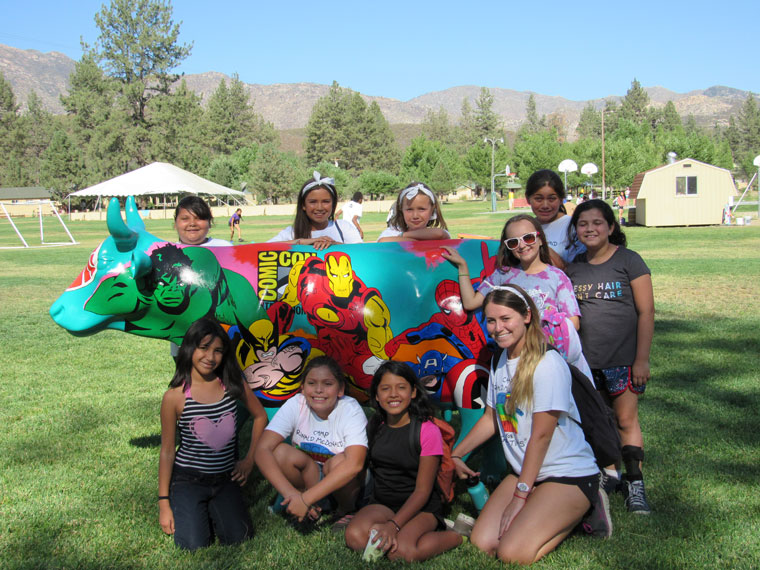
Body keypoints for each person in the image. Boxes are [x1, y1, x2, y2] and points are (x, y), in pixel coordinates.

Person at [451, 286, 603, 565]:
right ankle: (538, 509)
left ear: (527, 316)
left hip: (566, 474)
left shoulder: (547, 363)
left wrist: (520, 497)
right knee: (482, 542)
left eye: (505, 318)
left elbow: (542, 436)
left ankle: (588, 510)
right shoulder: (500, 359)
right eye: (491, 320)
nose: (497, 328)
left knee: (511, 553)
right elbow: (491, 419)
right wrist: (456, 454)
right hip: (525, 472)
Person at [565, 199, 655, 514]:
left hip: (624, 361)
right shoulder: (573, 267)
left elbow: (646, 312)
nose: (590, 229)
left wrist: (641, 360)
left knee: (626, 420)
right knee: (598, 423)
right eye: (583, 224)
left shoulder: (629, 261)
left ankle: (635, 484)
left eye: (597, 223)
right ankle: (608, 477)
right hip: (587, 364)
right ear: (575, 230)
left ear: (611, 227)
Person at [158, 317, 268, 550]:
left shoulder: (232, 384)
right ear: (189, 348)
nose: (210, 357)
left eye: (218, 350)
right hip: (188, 479)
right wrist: (164, 503)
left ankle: (213, 507)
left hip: (225, 480)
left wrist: (249, 461)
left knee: (240, 537)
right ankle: (192, 506)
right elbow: (167, 451)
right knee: (193, 545)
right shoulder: (174, 397)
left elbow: (260, 417)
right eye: (204, 348)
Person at [441, 214, 591, 378]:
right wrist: (463, 267)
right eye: (513, 242)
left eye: (528, 238)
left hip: (550, 360)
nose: (522, 245)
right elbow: (470, 303)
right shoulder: (502, 276)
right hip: (515, 361)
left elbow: (573, 323)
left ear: (540, 239)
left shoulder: (557, 277)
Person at [345, 361, 463, 562]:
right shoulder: (375, 425)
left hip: (420, 506)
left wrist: (393, 525)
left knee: (400, 552)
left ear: (413, 392)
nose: (393, 394)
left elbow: (422, 491)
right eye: (385, 388)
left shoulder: (427, 430)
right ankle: (399, 531)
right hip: (383, 503)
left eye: (401, 387)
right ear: (376, 395)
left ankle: (455, 535)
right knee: (355, 537)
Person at [254, 356, 368, 523]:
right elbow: (262, 450)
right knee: (280, 452)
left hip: (344, 485)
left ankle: (345, 510)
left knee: (337, 463)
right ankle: (305, 503)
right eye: (311, 383)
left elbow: (355, 464)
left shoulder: (350, 409)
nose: (319, 390)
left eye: (328, 384)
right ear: (302, 387)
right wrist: (293, 495)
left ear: (340, 389)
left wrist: (306, 499)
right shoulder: (296, 404)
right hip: (311, 479)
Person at [169, 197, 232, 359]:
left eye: (199, 218)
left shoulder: (224, 247)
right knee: (187, 379)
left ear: (210, 223)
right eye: (185, 219)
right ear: (175, 223)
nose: (192, 223)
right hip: (183, 337)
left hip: (222, 332)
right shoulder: (167, 253)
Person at [268, 172, 362, 250]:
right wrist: (302, 242)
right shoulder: (292, 232)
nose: (320, 208)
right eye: (313, 202)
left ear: (333, 204)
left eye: (326, 201)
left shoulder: (344, 227)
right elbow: (261, 249)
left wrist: (335, 245)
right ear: (303, 205)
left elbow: (363, 252)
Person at [525, 170, 584, 269]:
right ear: (528, 198)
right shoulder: (524, 228)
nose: (545, 205)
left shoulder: (574, 226)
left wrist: (543, 247)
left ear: (561, 199)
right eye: (538, 199)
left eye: (552, 199)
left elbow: (580, 271)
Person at [378, 182, 450, 242]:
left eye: (422, 209)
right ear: (401, 209)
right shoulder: (392, 233)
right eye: (409, 209)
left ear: (432, 210)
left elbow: (440, 234)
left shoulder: (437, 234)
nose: (415, 216)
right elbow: (382, 241)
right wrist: (415, 241)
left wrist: (404, 236)